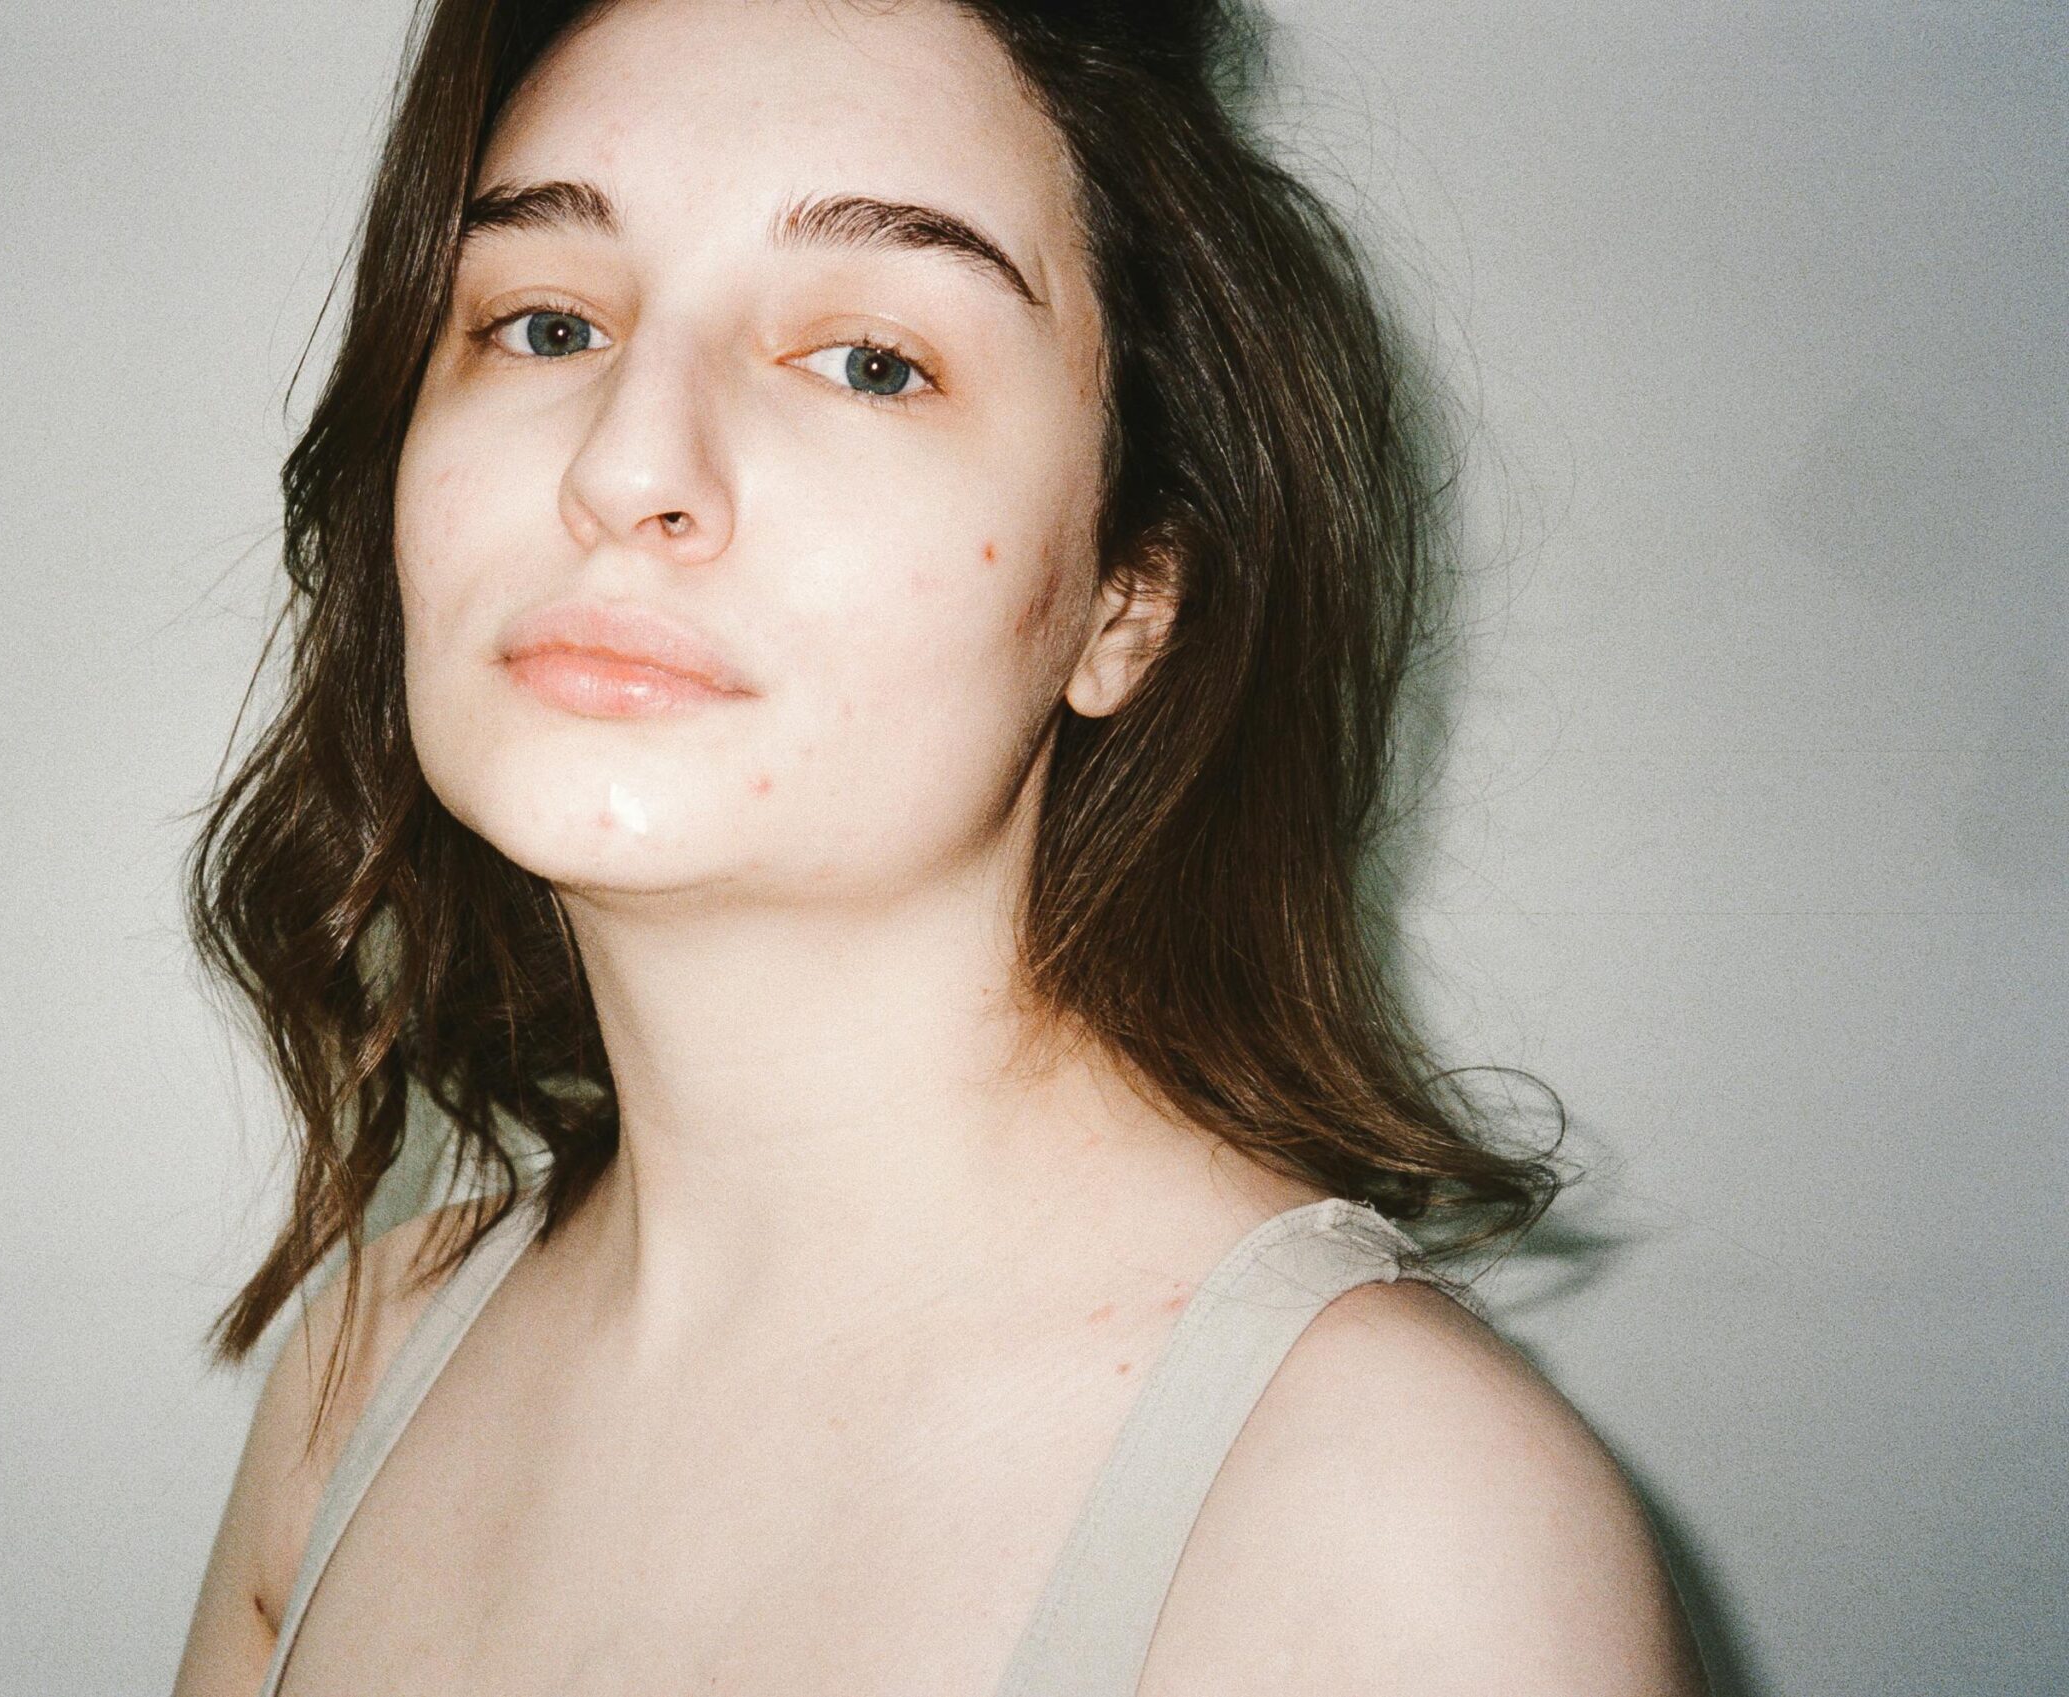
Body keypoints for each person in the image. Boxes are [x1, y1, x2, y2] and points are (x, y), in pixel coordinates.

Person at [172, 0, 1711, 1691]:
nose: (626, 462)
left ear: (1127, 596)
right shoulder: (360, 1370)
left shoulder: (1404, 1539)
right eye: (547, 324)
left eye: (870, 361)